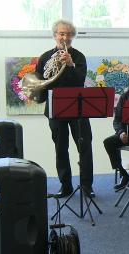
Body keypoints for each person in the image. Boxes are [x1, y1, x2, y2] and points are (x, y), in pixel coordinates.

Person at [35, 19, 95, 198]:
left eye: (69, 34)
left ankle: (86, 186)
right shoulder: (46, 57)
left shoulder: (79, 57)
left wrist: (70, 65)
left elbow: (79, 81)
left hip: (78, 109)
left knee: (84, 147)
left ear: (73, 36)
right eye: (62, 33)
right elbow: (40, 82)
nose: (65, 37)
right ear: (55, 35)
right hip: (55, 110)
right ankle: (65, 186)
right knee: (60, 149)